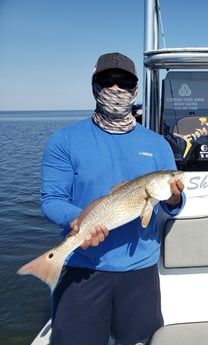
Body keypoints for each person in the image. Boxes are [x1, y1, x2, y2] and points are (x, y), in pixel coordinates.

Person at [41, 52, 185, 345]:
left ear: (135, 90)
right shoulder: (65, 140)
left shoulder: (157, 144)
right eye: (108, 81)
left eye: (125, 83)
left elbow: (174, 206)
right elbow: (52, 199)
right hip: (83, 267)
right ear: (95, 85)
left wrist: (172, 199)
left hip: (140, 272)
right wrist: (81, 222)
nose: (116, 90)